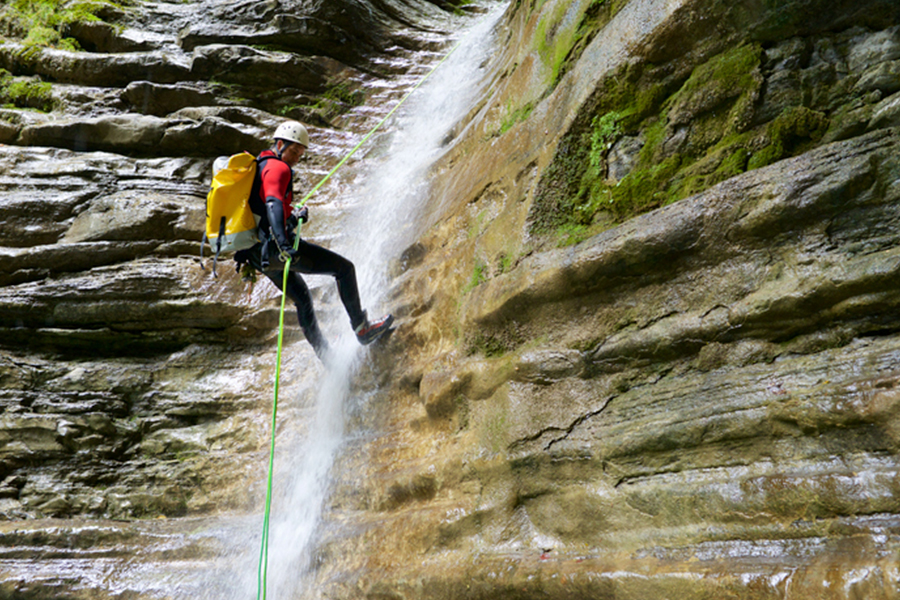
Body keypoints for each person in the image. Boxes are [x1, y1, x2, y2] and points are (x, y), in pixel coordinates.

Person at [235, 120, 393, 361]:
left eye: (301, 153)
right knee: (344, 269)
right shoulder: (278, 168)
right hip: (277, 250)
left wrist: (294, 216)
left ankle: (326, 357)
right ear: (279, 144)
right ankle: (363, 329)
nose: (297, 157)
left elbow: (267, 210)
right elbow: (273, 204)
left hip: (259, 255)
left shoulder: (260, 167)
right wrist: (284, 244)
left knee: (302, 299)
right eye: (294, 151)